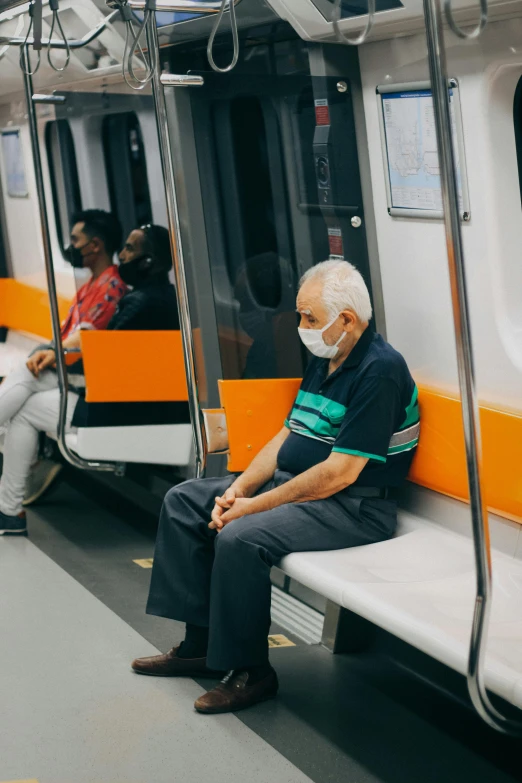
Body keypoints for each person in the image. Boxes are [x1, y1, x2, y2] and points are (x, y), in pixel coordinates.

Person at [131, 260, 421, 714]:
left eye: (310, 317)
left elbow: (338, 474)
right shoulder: (328, 358)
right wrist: (240, 489)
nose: (301, 326)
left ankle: (252, 671)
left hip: (354, 508)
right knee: (184, 500)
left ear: (346, 320)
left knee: (240, 537)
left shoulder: (379, 370)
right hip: (303, 491)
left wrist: (252, 509)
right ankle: (201, 646)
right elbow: (287, 436)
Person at [0, 210, 125, 532]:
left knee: (26, 378)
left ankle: (9, 511)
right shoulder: (90, 285)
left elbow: (86, 337)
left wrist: (50, 353)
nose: (72, 246)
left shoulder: (112, 285)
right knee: (23, 399)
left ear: (94, 245)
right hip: (68, 371)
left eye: (75, 240)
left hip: (84, 378)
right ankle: (9, 513)